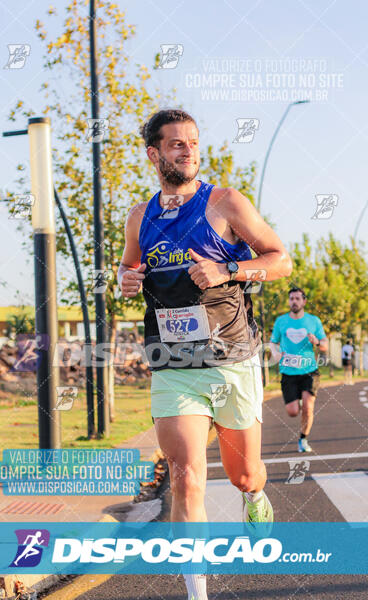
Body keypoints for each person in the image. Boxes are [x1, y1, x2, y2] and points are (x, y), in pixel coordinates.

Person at [117, 109, 292, 600]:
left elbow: (281, 259)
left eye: (192, 142)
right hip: (173, 363)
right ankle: (198, 593)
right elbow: (128, 270)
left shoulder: (226, 203)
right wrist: (126, 279)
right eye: (175, 144)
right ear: (154, 154)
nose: (188, 151)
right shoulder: (139, 216)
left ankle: (255, 495)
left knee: (242, 474)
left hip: (231, 358)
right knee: (186, 474)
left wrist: (228, 271)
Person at [270, 288, 328, 453]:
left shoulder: (313, 321)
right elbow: (273, 342)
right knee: (293, 412)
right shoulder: (281, 321)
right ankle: (300, 401)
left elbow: (325, 345)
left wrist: (316, 341)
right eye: (291, 299)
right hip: (288, 372)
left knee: (308, 407)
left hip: (309, 371)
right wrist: (276, 353)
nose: (293, 301)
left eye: (297, 298)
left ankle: (303, 439)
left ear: (304, 301)